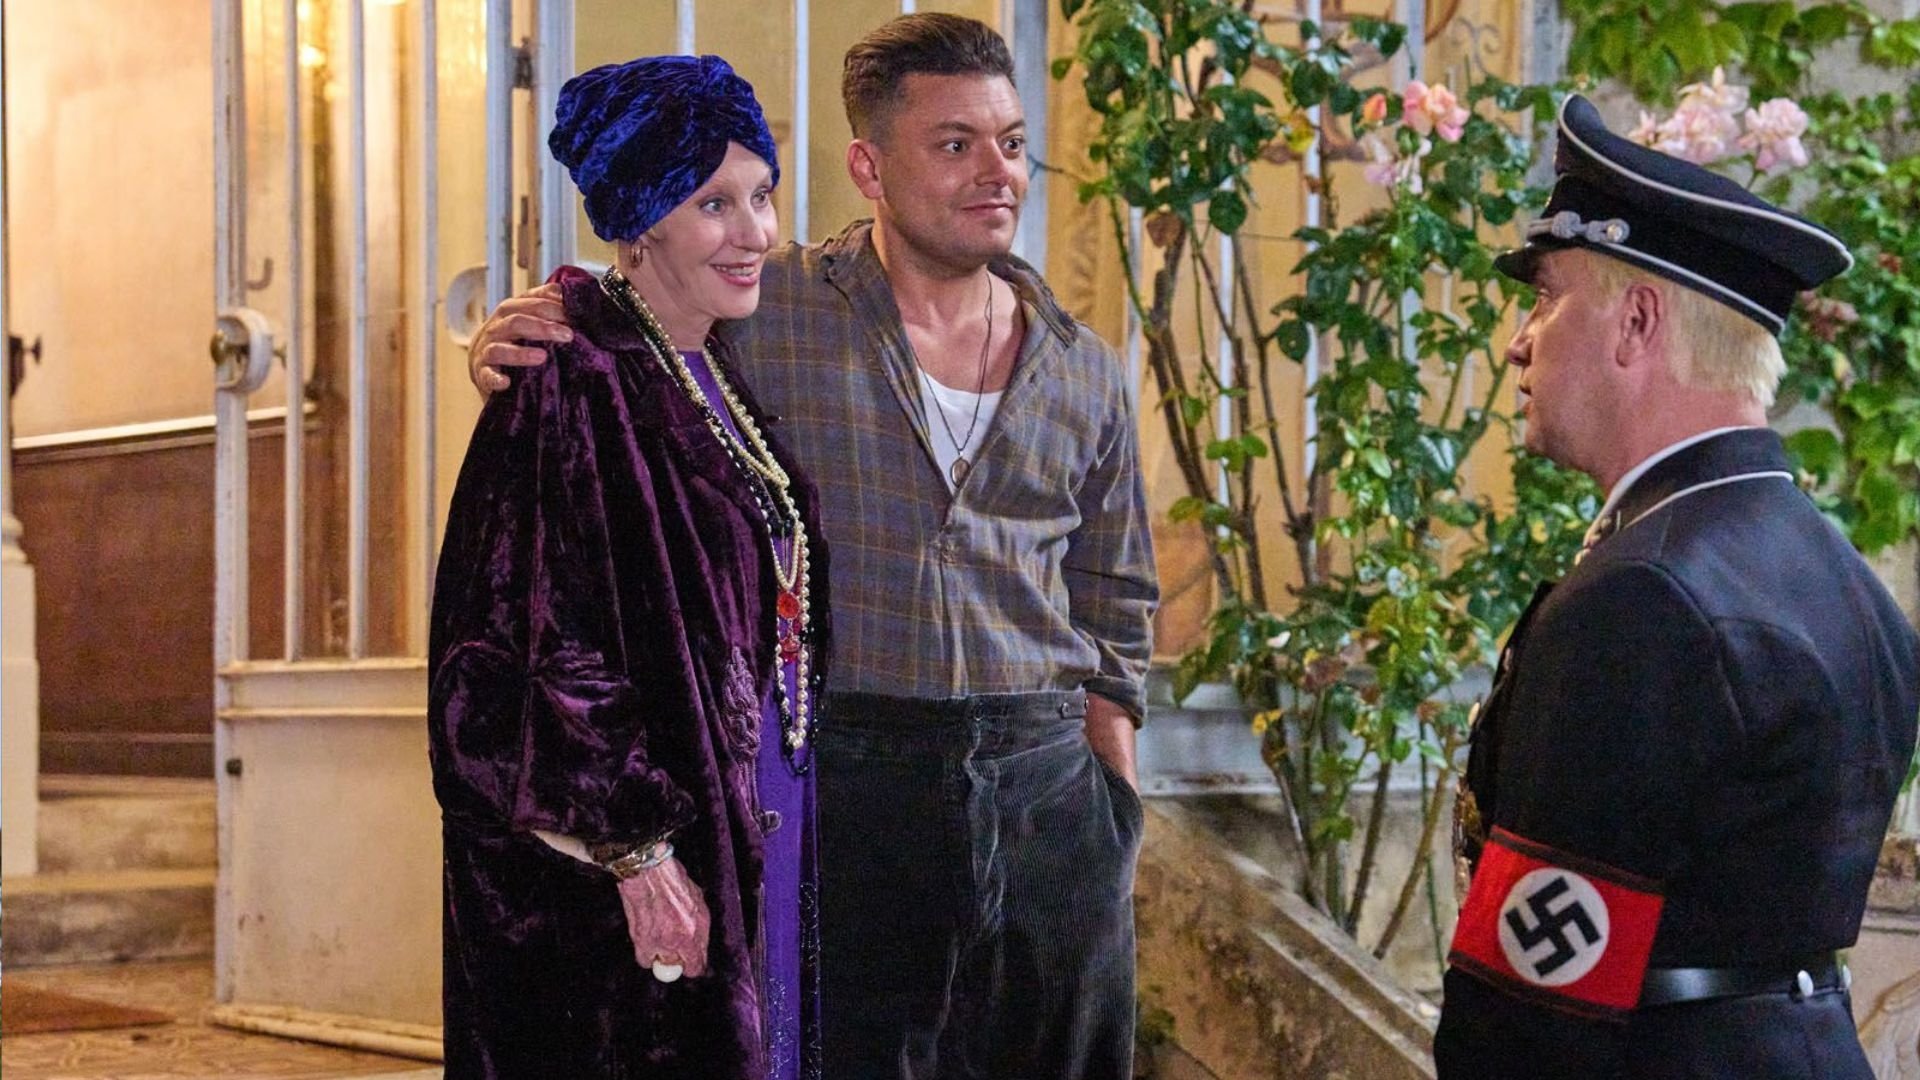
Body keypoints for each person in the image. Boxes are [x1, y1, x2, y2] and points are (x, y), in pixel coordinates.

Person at [467, 14, 1159, 1078]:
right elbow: (628, 340)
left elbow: (1116, 598)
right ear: (869, 168)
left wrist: (1114, 811)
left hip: (1051, 795)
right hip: (848, 781)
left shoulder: (1085, 367)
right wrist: (519, 335)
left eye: (1013, 142)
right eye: (956, 144)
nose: (998, 173)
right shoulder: (764, 305)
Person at [1437, 93, 1920, 1078]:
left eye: (1546, 298)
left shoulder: (1642, 598)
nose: (1519, 342)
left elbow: (1534, 1010)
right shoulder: (1849, 587)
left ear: (1636, 322)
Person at [428, 55, 829, 1079]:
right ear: (639, 222)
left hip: (761, 808)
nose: (755, 232)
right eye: (713, 204)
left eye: (762, 194)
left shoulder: (708, 360)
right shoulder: (565, 376)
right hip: (642, 857)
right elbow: (506, 657)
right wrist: (638, 848)